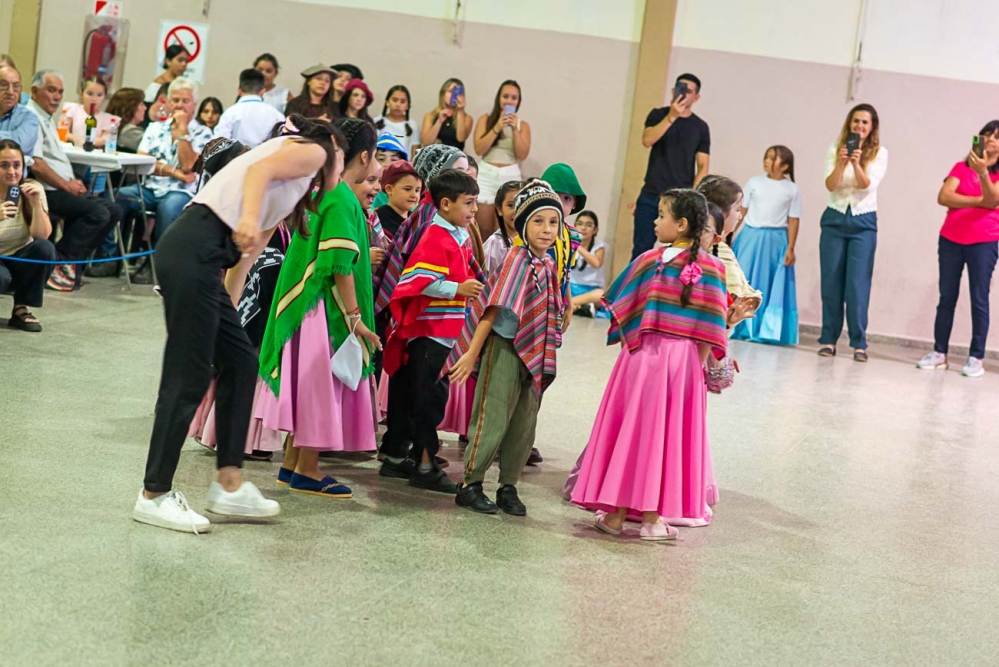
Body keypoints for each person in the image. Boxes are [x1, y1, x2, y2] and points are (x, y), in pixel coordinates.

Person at [132, 114, 339, 534]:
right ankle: (153, 495)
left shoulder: (293, 187)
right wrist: (245, 219)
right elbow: (259, 172)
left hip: (202, 261)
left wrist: (224, 317)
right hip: (192, 249)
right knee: (188, 376)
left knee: (241, 361)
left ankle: (229, 483)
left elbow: (245, 260)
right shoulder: (311, 151)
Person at [570, 188, 728, 541]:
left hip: (641, 358)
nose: (654, 222)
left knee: (634, 432)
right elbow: (713, 326)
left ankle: (615, 516)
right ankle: (652, 520)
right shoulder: (713, 268)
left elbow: (618, 301)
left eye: (661, 215)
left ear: (681, 224)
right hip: (682, 363)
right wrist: (700, 366)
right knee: (664, 437)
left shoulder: (648, 260)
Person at [257, 118, 382, 496]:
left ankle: (292, 464)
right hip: (325, 308)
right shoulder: (341, 196)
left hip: (304, 303)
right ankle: (308, 470)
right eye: (377, 156)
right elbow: (339, 264)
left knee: (308, 383)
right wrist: (355, 318)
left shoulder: (322, 189)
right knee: (319, 386)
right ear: (365, 156)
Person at [450, 182, 563, 515]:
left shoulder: (547, 264)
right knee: (493, 415)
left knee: (524, 422)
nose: (547, 229)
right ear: (523, 224)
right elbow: (492, 308)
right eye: (538, 221)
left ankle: (508, 485)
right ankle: (470, 483)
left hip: (535, 352)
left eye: (553, 222)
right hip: (505, 347)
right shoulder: (516, 258)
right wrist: (472, 352)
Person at [379, 169, 484, 494]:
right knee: (428, 400)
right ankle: (424, 466)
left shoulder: (456, 233)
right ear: (446, 203)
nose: (474, 209)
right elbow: (417, 281)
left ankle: (409, 458)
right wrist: (457, 288)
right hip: (430, 333)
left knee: (425, 397)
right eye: (468, 203)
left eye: (476, 202)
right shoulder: (436, 236)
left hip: (443, 331)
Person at [26, 69, 121, 292]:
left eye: (60, 92)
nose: (57, 97)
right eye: (51, 90)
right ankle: (59, 261)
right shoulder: (31, 117)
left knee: (114, 210)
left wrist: (72, 182)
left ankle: (69, 262)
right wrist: (66, 184)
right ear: (34, 91)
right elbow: (36, 164)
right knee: (98, 213)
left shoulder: (47, 117)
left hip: (61, 186)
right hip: (47, 190)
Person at [916, 123, 999, 378]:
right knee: (946, 297)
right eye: (988, 134)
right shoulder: (960, 168)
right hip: (950, 240)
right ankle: (939, 353)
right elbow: (944, 197)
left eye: (998, 137)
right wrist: (979, 201)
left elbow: (994, 199)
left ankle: (976, 357)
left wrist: (983, 174)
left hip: (984, 242)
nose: (991, 140)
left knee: (979, 298)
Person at [818, 103, 888, 362]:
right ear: (849, 123)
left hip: (863, 222)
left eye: (865, 122)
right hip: (834, 218)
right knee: (831, 282)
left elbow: (867, 185)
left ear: (872, 127)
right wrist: (841, 163)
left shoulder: (880, 153)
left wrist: (857, 163)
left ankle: (859, 343)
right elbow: (831, 184)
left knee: (857, 285)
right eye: (856, 120)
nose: (859, 126)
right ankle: (828, 339)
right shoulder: (835, 149)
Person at [116, 77, 213, 263]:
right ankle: (110, 258)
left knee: (169, 208)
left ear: (194, 104)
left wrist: (183, 131)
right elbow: (142, 162)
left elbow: (189, 166)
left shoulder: (204, 133)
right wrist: (174, 172)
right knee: (114, 197)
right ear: (168, 103)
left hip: (181, 192)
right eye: (175, 100)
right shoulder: (154, 128)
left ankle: (159, 266)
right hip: (149, 189)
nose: (180, 105)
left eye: (185, 101)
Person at [633, 73, 710, 259]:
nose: (682, 94)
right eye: (679, 88)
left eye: (688, 91)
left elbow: (703, 166)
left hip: (680, 198)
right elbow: (647, 140)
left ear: (696, 97)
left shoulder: (700, 127)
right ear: (673, 90)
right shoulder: (658, 114)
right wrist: (672, 116)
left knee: (679, 251)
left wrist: (693, 196)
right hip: (651, 194)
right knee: (641, 249)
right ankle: (637, 279)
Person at [730, 145, 802, 345]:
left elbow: (794, 219)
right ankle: (738, 324)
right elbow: (742, 211)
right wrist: (730, 235)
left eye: (772, 158)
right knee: (744, 279)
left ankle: (767, 329)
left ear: (785, 166)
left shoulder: (792, 189)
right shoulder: (754, 182)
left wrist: (790, 247)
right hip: (750, 238)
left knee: (769, 284)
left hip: (776, 242)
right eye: (767, 157)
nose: (767, 161)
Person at [0, 139, 55, 332]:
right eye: (4, 165)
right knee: (1, 277)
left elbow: (42, 235)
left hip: (18, 256)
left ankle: (21, 308)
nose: (12, 172)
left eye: (17, 165)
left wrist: (36, 204)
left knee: (45, 249)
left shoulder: (32, 188)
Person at [473, 80, 531, 237]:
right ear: (499, 98)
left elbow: (522, 155)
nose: (509, 101)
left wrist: (514, 129)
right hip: (486, 174)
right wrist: (497, 126)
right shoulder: (485, 120)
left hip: (510, 176)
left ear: (518, 101)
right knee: (482, 229)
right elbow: (479, 149)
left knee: (504, 230)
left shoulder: (523, 125)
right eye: (505, 96)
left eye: (514, 98)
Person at [214, 69, 285, 149]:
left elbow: (219, 146)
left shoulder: (229, 114)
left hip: (237, 157)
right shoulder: (276, 115)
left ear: (239, 91)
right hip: (267, 156)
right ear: (263, 91)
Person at [569, 210, 608, 318]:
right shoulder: (567, 244)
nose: (583, 228)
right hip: (570, 288)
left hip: (590, 291)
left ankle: (568, 305)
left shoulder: (599, 246)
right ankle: (579, 307)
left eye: (589, 225)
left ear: (595, 230)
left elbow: (597, 263)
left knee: (601, 295)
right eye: (580, 224)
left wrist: (578, 246)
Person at [482, 180, 526, 275]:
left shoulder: (533, 241)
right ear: (500, 210)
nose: (516, 211)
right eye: (511, 205)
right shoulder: (495, 243)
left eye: (522, 204)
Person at [62, 76, 118, 149]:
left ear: (104, 96)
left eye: (99, 95)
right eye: (90, 94)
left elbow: (104, 139)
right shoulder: (73, 109)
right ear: (81, 94)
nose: (94, 99)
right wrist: (78, 140)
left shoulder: (107, 119)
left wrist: (88, 142)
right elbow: (64, 132)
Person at [375, 159, 422, 239]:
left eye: (417, 190)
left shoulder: (417, 220)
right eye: (407, 189)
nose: (414, 195)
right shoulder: (378, 219)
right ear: (389, 189)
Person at [421, 78, 471, 151]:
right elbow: (426, 144)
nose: (454, 95)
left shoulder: (467, 118)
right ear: (443, 93)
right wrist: (439, 122)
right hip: (435, 156)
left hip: (455, 156)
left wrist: (460, 110)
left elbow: (461, 138)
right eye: (450, 91)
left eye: (457, 93)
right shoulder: (430, 116)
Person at [0, 64, 38, 158]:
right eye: (3, 85)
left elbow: (19, 145)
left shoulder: (29, 117)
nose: (10, 92)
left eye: (16, 86)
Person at [374, 85, 419, 158]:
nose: (398, 105)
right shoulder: (376, 122)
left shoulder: (413, 125)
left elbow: (414, 153)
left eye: (402, 102)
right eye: (395, 100)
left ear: (407, 105)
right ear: (387, 102)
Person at [105, 87, 146, 153]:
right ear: (131, 107)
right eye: (141, 104)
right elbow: (154, 147)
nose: (145, 108)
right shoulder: (129, 131)